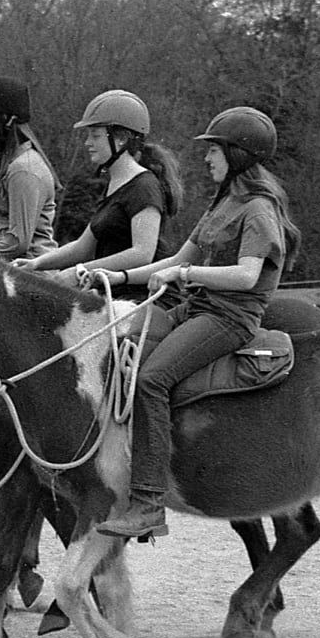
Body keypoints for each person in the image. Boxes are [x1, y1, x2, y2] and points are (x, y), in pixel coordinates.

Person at [95, 106, 301, 538]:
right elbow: (174, 259)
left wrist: (185, 276)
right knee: (124, 353)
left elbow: (245, 275)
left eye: (215, 151)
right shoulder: (225, 203)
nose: (207, 158)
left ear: (238, 154)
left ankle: (149, 502)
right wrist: (119, 276)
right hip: (196, 308)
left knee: (151, 380)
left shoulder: (258, 210)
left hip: (230, 317)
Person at [14, 89, 181, 300]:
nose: (87, 143)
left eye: (95, 135)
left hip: (143, 299)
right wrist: (36, 264)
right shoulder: (115, 185)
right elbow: (83, 247)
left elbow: (142, 253)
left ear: (120, 139)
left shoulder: (144, 187)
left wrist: (79, 272)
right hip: (113, 296)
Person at [0, 76, 59, 261]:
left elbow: (17, 242)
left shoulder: (24, 170)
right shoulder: (7, 167)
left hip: (33, 276)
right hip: (7, 268)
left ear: (3, 120)